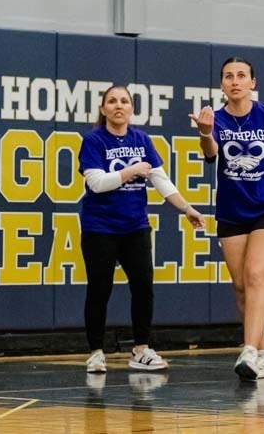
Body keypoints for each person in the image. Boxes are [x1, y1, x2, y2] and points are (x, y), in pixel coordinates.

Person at [80, 85, 205, 374]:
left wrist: (186, 208)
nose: (118, 105)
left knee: (143, 286)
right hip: (100, 227)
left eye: (124, 101)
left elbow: (161, 181)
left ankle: (141, 349)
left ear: (131, 109)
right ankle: (96, 352)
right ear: (103, 109)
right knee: (100, 288)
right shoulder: (94, 141)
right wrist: (130, 171)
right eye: (111, 101)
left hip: (135, 226)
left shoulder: (142, 139)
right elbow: (96, 183)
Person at [190, 57, 264, 381]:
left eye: (241, 76)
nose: (235, 81)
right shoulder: (217, 119)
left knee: (255, 275)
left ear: (252, 82)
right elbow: (211, 153)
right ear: (222, 84)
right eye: (228, 76)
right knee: (241, 288)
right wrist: (205, 132)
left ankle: (249, 351)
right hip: (232, 211)